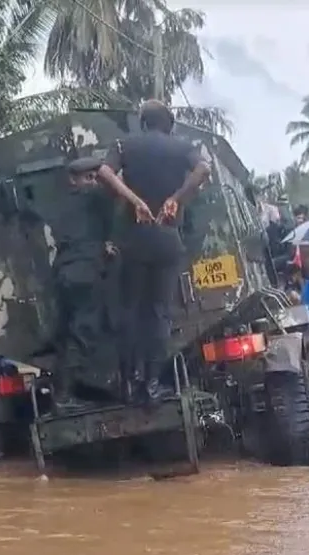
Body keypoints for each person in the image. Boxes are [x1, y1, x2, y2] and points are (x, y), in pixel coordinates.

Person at [97, 100, 210, 403]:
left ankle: (128, 382)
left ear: (142, 122)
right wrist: (176, 198)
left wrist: (134, 200)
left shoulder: (125, 144)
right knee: (158, 313)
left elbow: (105, 172)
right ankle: (150, 384)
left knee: (130, 310)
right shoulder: (182, 147)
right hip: (167, 238)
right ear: (169, 123)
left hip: (133, 239)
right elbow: (203, 168)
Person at [48, 157, 117, 408]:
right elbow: (117, 193)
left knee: (66, 336)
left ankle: (66, 392)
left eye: (94, 177)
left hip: (64, 274)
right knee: (83, 334)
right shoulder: (94, 198)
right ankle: (64, 397)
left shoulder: (61, 205)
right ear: (73, 179)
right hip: (85, 275)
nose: (93, 182)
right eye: (88, 178)